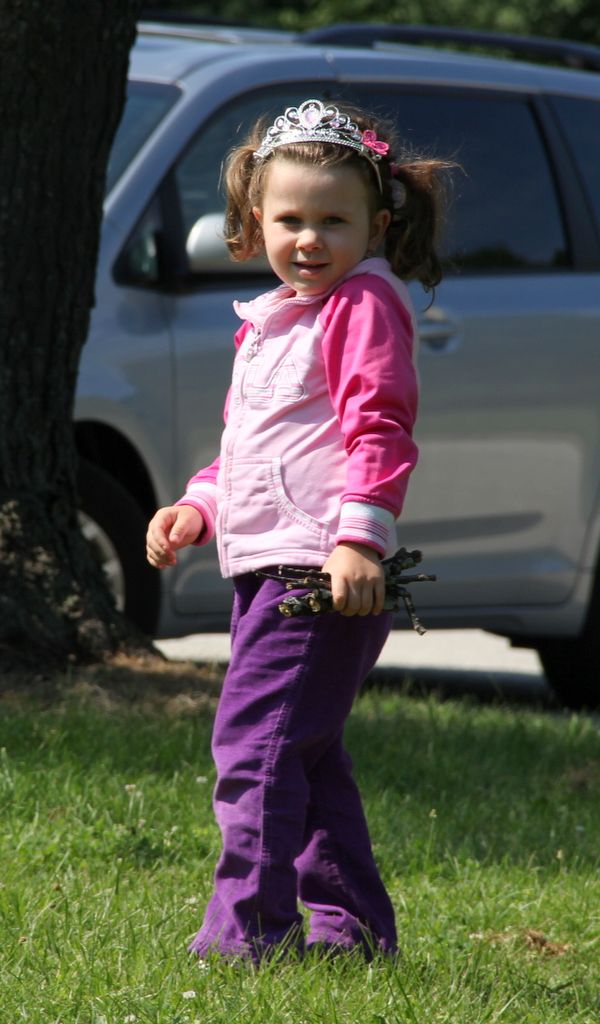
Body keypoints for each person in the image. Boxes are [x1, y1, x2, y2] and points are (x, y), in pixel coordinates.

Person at [146, 98, 449, 961]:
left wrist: (360, 540)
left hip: (318, 570)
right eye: (290, 220)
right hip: (272, 567)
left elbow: (380, 427)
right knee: (302, 754)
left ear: (377, 226)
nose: (309, 239)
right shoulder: (276, 320)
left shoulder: (362, 304)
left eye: (333, 221)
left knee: (256, 751)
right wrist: (199, 506)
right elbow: (252, 446)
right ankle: (354, 936)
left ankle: (246, 937)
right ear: (255, 220)